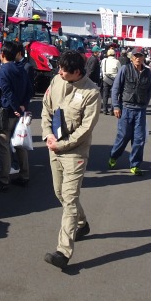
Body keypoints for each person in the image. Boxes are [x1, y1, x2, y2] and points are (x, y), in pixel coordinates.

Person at [41, 50, 101, 269]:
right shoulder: (57, 80)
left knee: (68, 196)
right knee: (60, 193)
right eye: (59, 69)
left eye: (64, 71)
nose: (60, 73)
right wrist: (48, 134)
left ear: (77, 72)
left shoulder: (92, 92)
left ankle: (63, 252)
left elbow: (86, 129)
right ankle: (82, 223)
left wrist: (63, 145)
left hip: (74, 152)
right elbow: (46, 108)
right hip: (53, 146)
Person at [0, 41, 33, 193]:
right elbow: (30, 90)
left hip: (7, 110)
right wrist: (23, 106)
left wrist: (16, 107)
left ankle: (4, 180)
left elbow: (7, 92)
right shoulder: (22, 68)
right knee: (20, 142)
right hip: (20, 111)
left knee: (4, 145)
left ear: (2, 54)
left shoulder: (3, 70)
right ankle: (24, 176)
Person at [109, 46, 151, 176]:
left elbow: (149, 90)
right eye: (135, 56)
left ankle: (135, 164)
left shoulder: (148, 72)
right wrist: (116, 106)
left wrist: (145, 105)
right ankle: (114, 156)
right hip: (126, 108)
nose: (137, 58)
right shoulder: (125, 69)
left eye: (140, 56)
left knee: (139, 139)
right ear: (131, 57)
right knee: (123, 137)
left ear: (144, 57)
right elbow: (116, 89)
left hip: (140, 110)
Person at [100, 48, 120, 115]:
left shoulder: (104, 61)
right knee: (113, 94)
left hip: (106, 78)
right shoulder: (117, 61)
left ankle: (105, 110)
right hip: (114, 79)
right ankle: (112, 110)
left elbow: (102, 70)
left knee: (105, 94)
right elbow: (119, 71)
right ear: (114, 54)